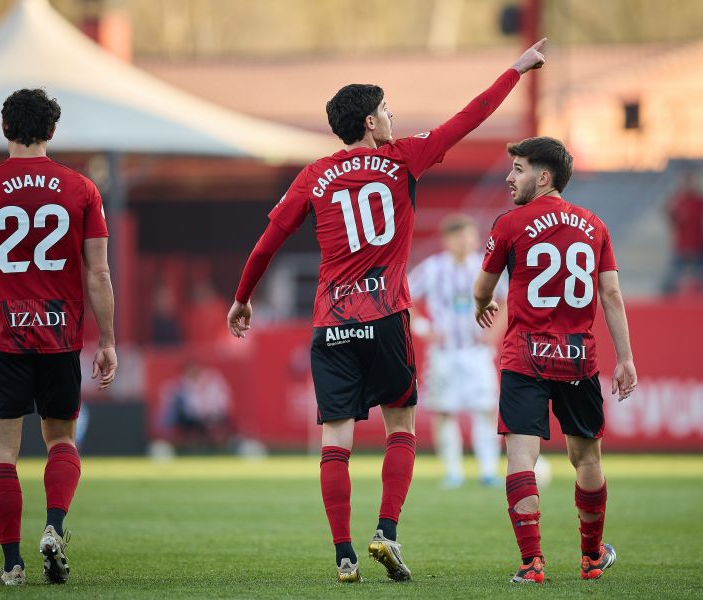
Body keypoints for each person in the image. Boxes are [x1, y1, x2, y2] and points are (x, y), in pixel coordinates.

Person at [227, 40, 548, 583]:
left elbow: (266, 243)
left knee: (335, 440)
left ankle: (343, 555)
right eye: (389, 111)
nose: (394, 118)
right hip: (386, 317)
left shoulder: (313, 175)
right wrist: (516, 69)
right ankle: (388, 531)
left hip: (331, 322)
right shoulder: (403, 158)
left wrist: (242, 298)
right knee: (401, 425)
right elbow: (471, 116)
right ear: (372, 120)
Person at [0, 89, 117, 586]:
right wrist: (107, 340)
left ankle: (12, 565)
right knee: (61, 438)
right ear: (52, 131)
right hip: (61, 336)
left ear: (4, 128)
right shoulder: (81, 189)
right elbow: (99, 274)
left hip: (2, 337)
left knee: (2, 452)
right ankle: (54, 526)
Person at [473, 137, 637, 584]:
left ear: (543, 177)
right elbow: (612, 294)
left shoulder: (510, 224)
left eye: (518, 168)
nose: (509, 177)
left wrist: (480, 304)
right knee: (586, 458)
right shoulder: (594, 225)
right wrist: (625, 358)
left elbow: (482, 288)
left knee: (522, 456)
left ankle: (532, 564)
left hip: (525, 355)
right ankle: (590, 557)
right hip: (578, 358)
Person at [408, 214, 504, 488]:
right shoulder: (433, 268)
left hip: (476, 351)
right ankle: (453, 471)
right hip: (444, 352)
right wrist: (424, 328)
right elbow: (405, 298)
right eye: (460, 237)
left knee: (485, 408)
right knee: (444, 410)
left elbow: (509, 299)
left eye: (470, 236)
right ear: (448, 240)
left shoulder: (486, 267)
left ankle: (488, 470)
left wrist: (494, 333)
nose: (466, 242)